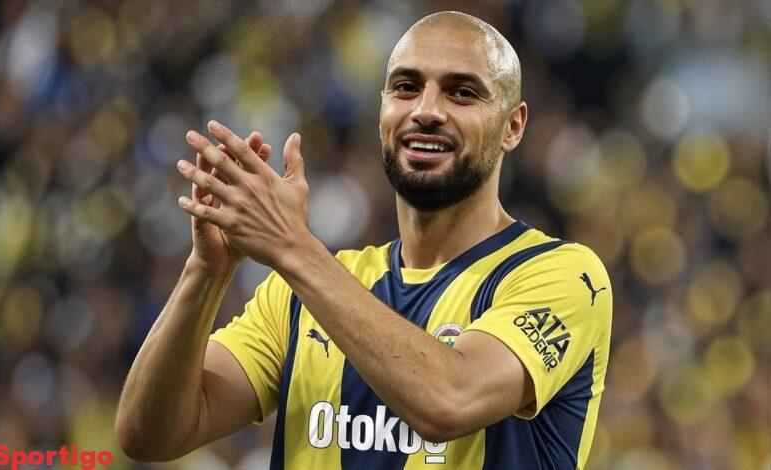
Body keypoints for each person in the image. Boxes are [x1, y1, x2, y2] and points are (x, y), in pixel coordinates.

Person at [115, 11, 612, 470]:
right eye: (406, 88)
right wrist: (207, 272)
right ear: (382, 111)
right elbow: (148, 436)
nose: (426, 110)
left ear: (513, 126)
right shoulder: (298, 295)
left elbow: (449, 401)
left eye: (462, 93)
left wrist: (291, 247)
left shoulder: (565, 276)